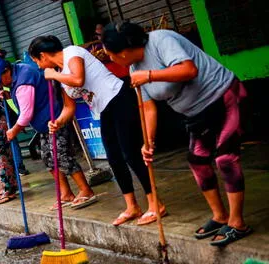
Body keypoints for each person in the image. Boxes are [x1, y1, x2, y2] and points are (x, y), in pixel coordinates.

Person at [102, 22, 251, 246]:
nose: (110, 60)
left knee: (225, 158)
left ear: (122, 52)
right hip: (195, 113)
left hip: (223, 96)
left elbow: (189, 70)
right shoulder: (134, 69)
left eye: (110, 55)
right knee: (197, 161)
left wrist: (150, 75)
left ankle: (237, 222)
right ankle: (220, 216)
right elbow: (148, 107)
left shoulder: (161, 40)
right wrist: (148, 141)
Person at [28, 35, 165, 225]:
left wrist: (54, 75)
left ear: (42, 56)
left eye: (36, 60)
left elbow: (78, 78)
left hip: (118, 98)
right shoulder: (59, 75)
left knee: (131, 153)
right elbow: (69, 108)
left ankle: (155, 203)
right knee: (114, 158)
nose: (38, 66)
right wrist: (58, 122)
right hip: (103, 110)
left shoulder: (71, 53)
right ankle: (132, 206)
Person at [0, 54, 97, 210]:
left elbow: (26, 113)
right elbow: (30, 97)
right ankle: (66, 193)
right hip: (44, 124)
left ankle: (86, 190)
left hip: (54, 119)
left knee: (62, 155)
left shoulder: (23, 77)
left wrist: (14, 130)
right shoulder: (17, 76)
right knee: (48, 158)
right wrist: (10, 95)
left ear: (6, 71)